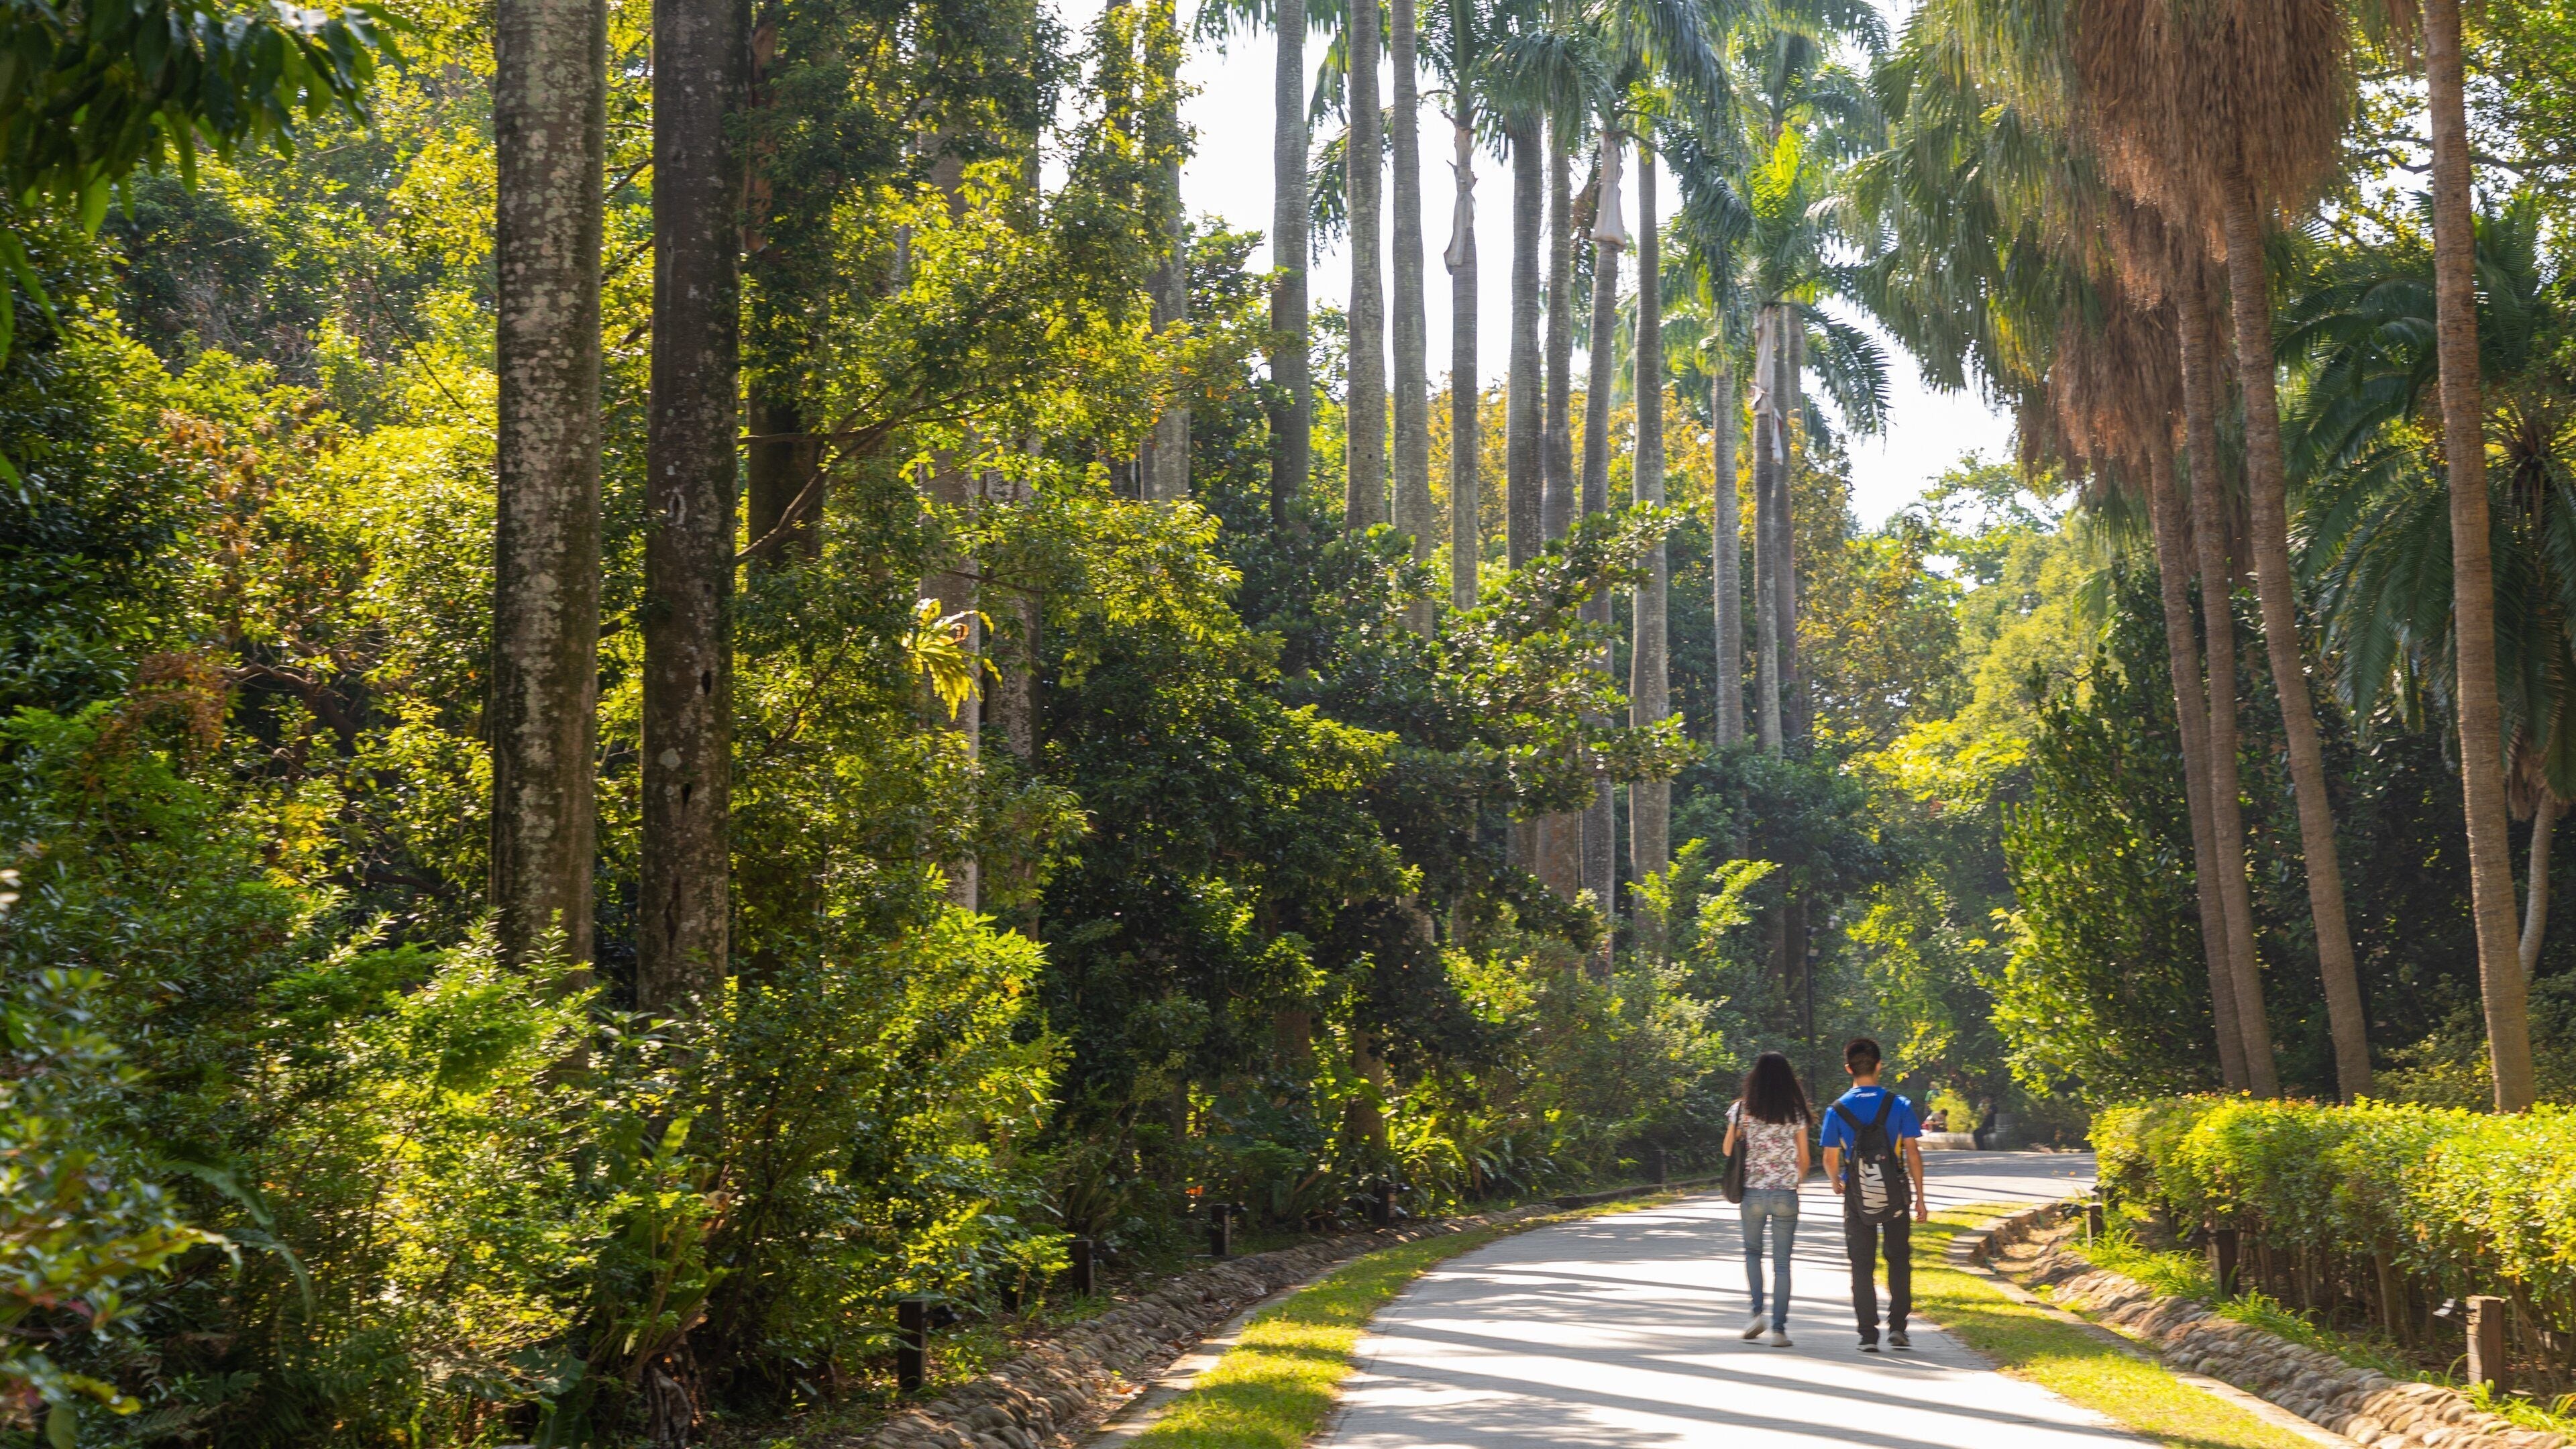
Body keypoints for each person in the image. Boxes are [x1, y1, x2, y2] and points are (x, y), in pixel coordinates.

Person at [1820, 1036, 1929, 1352]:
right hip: (1895, 1191)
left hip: (1857, 1195)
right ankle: (1898, 1329)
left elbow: (1829, 1159)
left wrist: (1836, 1182)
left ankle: (1868, 1335)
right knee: (1898, 1259)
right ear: (1879, 1066)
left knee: (1862, 1264)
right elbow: (1913, 1154)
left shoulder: (1837, 1109)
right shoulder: (1900, 1104)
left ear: (1848, 1068)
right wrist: (1921, 1198)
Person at [1721, 1051, 1813, 1347]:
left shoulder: (1742, 1110)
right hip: (1785, 1193)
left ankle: (1756, 1313)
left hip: (1752, 1193)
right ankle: (1779, 1330)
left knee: (1752, 1253)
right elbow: (1805, 1159)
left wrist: (1739, 1132)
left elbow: (1727, 1150)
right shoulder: (1795, 1112)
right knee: (1783, 1264)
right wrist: (1794, 1183)